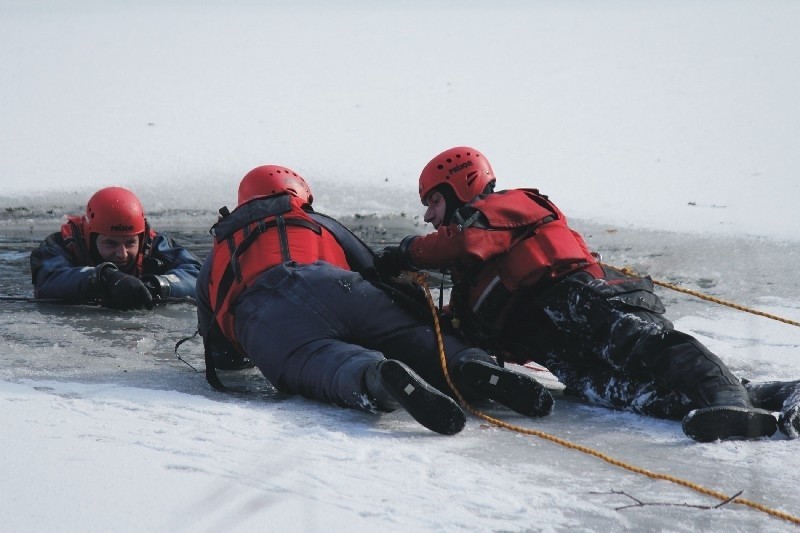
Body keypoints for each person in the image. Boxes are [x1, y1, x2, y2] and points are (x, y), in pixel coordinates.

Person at [375, 146, 800, 442]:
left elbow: (468, 241)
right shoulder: (469, 276)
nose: (428, 216)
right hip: (554, 347)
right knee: (624, 391)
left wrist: (406, 253)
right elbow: (470, 324)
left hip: (578, 299)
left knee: (642, 347)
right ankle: (756, 401)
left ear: (459, 186)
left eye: (432, 202)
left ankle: (727, 398)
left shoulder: (507, 205)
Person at [195, 165, 555, 436]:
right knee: (409, 334)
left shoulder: (217, 253)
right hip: (335, 284)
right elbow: (376, 270)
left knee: (330, 367)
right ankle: (469, 364)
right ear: (298, 195)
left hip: (263, 319)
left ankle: (376, 378)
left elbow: (222, 353)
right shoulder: (315, 221)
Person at [30, 186, 201, 310]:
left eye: (130, 243)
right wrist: (105, 277)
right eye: (110, 243)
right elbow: (47, 282)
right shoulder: (60, 245)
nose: (122, 254)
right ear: (90, 236)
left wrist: (155, 285)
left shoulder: (154, 243)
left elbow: (200, 276)